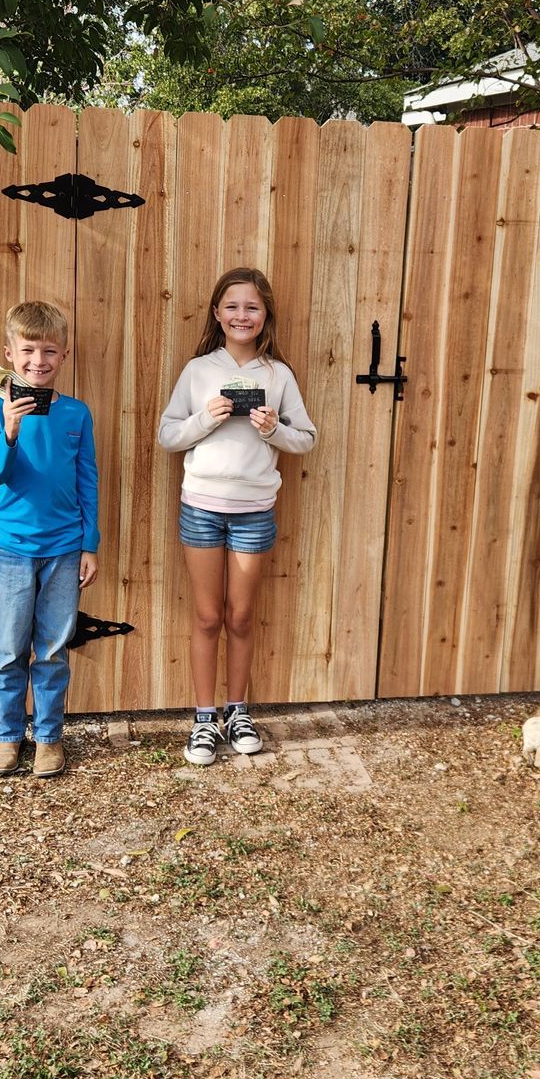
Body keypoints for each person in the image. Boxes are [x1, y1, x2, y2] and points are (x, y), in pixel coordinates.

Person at [157, 267, 316, 766]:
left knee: (241, 616)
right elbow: (167, 435)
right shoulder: (198, 369)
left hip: (254, 513)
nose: (241, 315)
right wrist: (207, 418)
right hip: (201, 508)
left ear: (265, 315)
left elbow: (306, 439)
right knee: (207, 616)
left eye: (252, 307)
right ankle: (205, 718)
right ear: (216, 313)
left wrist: (273, 431)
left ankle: (237, 711)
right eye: (232, 306)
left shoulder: (278, 375)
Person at [0, 300, 99, 779]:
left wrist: (90, 542)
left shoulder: (76, 414)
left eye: (50, 351)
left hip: (65, 550)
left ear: (64, 355)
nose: (38, 361)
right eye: (28, 350)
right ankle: (7, 736)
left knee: (52, 648)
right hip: (10, 548)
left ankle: (49, 738)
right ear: (9, 354)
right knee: (9, 650)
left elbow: (87, 478)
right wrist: (10, 427)